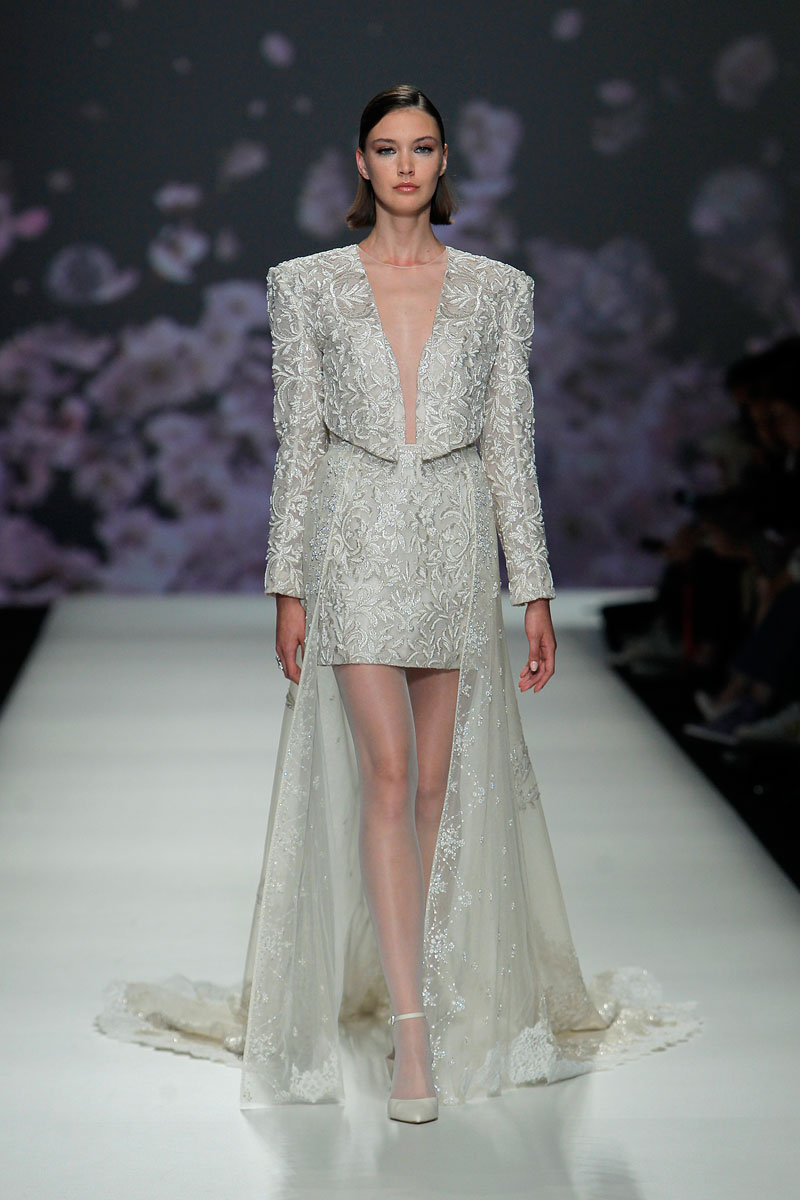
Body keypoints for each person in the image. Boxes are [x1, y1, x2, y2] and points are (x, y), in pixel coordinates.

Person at [93, 84, 701, 1121]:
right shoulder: (306, 287)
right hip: (355, 540)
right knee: (385, 775)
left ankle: (418, 988)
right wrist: (287, 583)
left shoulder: (499, 291)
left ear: (444, 161)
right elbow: (300, 441)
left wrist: (534, 586)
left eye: (421, 148)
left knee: (433, 792)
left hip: (456, 544)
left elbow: (509, 445)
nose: (405, 165)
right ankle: (412, 1041)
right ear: (361, 164)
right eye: (386, 148)